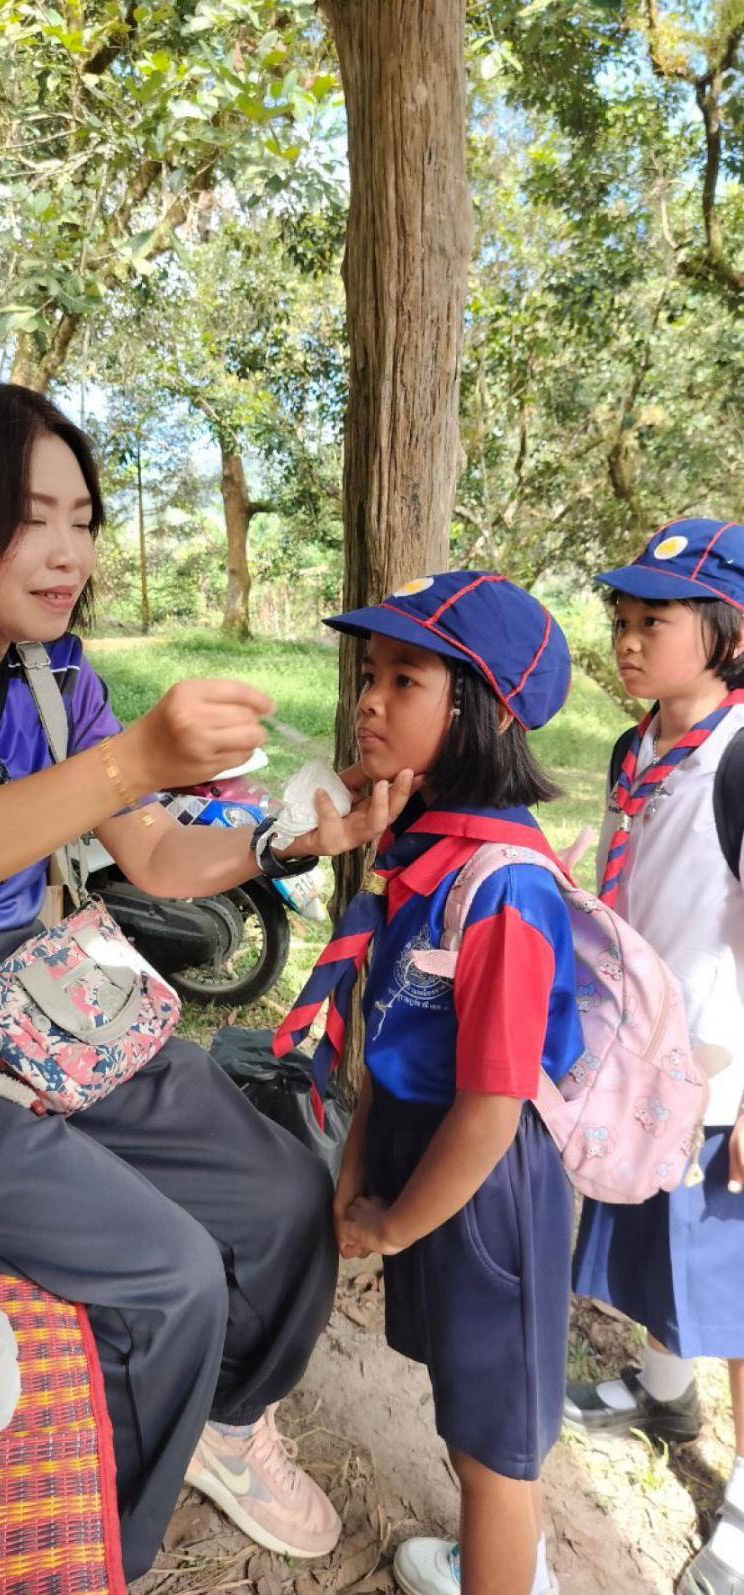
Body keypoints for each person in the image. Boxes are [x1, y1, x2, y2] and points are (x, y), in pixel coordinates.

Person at [0, 374, 416, 1580]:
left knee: (281, 1193)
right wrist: (129, 761)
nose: (70, 553)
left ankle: (222, 1419)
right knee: (166, 1275)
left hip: (36, 987)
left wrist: (285, 842)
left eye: (84, 520)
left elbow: (153, 853)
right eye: (31, 518)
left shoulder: (51, 674)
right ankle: (106, 1537)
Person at [275, 572, 583, 1595]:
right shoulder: (424, 849)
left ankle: (504, 1572)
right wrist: (360, 1166)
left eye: (404, 679)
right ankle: (489, 1561)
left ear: (482, 712)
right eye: (370, 673)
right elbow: (394, 1028)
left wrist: (397, 1223)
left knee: (499, 1454)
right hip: (420, 1144)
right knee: (467, 1407)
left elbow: (493, 1106)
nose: (367, 701)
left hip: (484, 1187)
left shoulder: (503, 889)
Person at [566, 518, 744, 1595]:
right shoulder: (638, 747)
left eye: (655, 622)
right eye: (622, 618)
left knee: (735, 1299)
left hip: (720, 1085)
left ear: (730, 634)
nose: (627, 640)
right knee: (654, 1256)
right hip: (643, 1070)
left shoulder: (740, 755)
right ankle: (666, 1395)